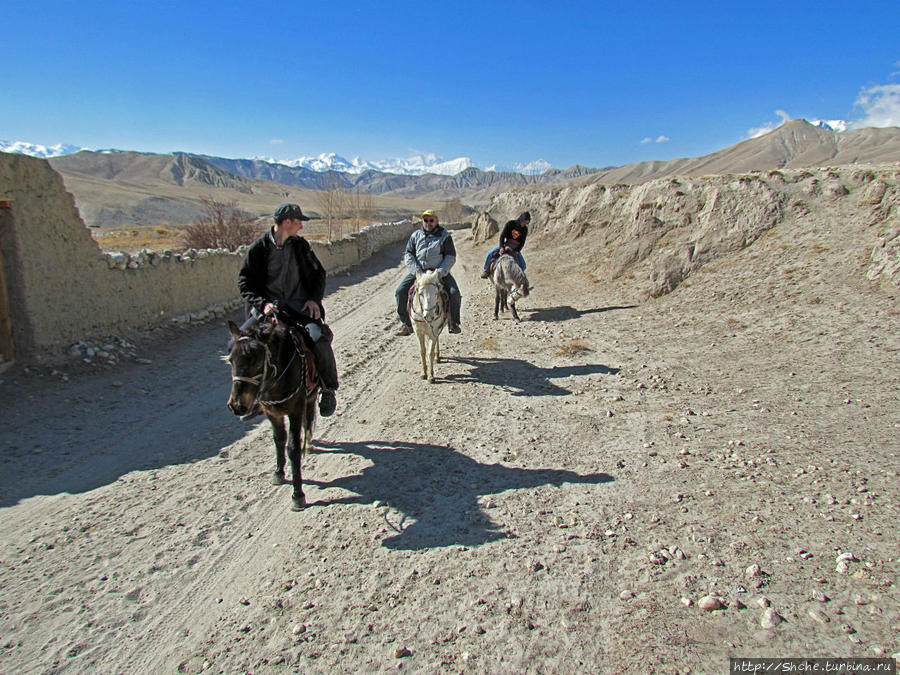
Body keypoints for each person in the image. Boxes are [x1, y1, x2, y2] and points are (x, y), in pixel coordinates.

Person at [238, 203, 339, 417]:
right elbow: (245, 283)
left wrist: (313, 299)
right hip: (268, 309)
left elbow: (318, 273)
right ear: (287, 222)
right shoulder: (259, 249)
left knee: (318, 337)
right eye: (298, 222)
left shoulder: (301, 247)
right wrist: (262, 303)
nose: (301, 226)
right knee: (241, 346)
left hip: (299, 307)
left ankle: (328, 388)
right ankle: (250, 397)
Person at [395, 209, 462, 335]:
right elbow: (409, 254)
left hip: (437, 272)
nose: (428, 223)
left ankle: (453, 322)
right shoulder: (416, 236)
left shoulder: (444, 236)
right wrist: (416, 271)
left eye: (431, 220)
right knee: (400, 292)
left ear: (436, 221)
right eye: (426, 220)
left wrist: (439, 272)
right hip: (419, 272)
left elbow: (450, 256)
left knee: (454, 293)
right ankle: (406, 324)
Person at [480, 211, 530, 278]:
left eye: (527, 222)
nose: (525, 224)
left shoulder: (525, 230)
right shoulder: (510, 224)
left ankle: (519, 281)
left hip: (515, 249)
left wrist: (517, 251)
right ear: (521, 219)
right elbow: (502, 236)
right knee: (489, 254)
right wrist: (501, 247)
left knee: (523, 265)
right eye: (525, 221)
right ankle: (486, 270)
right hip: (506, 245)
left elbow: (522, 242)